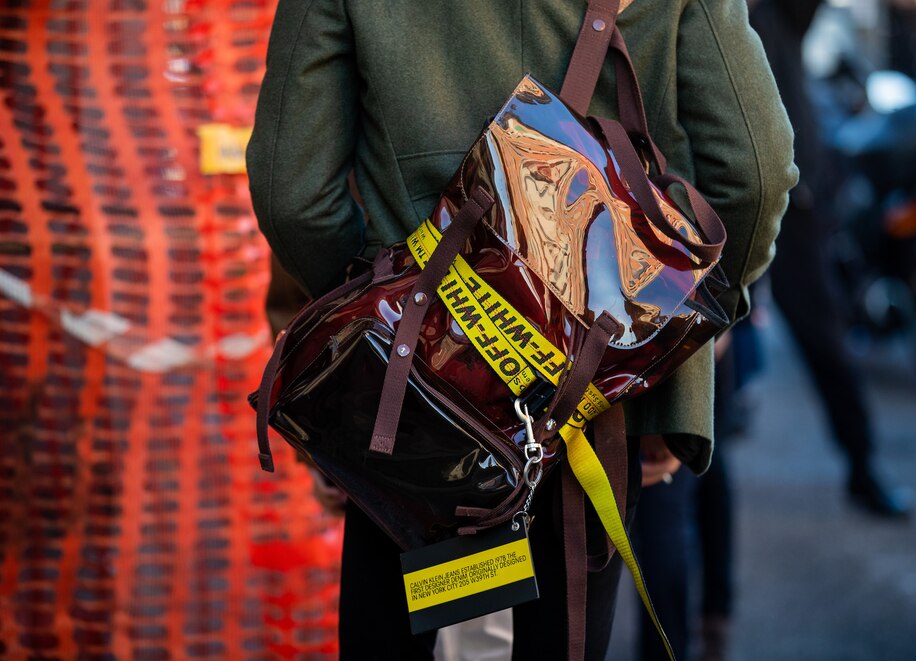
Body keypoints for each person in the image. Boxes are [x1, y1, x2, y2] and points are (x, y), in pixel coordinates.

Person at [246, 0, 797, 658]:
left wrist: (379, 329)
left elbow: (293, 194)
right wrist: (657, 355)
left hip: (409, 404)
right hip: (584, 409)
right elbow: (756, 173)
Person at [749, 0, 912, 518]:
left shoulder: (777, 12)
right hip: (718, 206)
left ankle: (863, 467)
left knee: (827, 339)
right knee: (698, 350)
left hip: (794, 206)